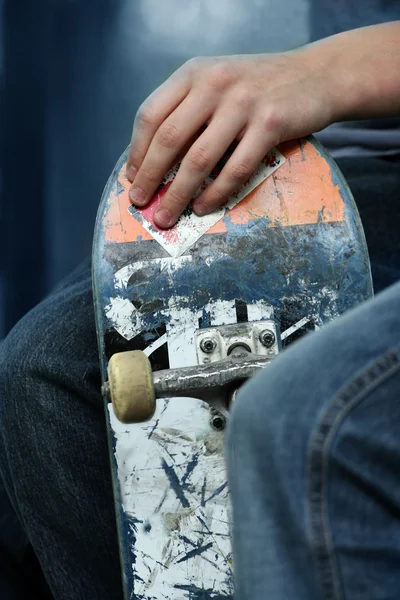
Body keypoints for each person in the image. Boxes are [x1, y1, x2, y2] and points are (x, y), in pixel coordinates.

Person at [0, 13, 399, 600]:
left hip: (347, 123)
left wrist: (321, 72)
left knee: (294, 411)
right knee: (44, 375)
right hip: (334, 162)